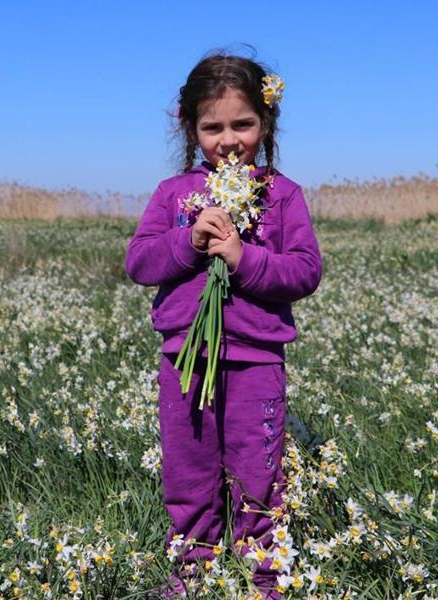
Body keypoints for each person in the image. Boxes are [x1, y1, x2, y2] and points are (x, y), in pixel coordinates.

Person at [124, 52, 322, 599]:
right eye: (212, 127)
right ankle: (193, 566)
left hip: (257, 359)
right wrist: (188, 242)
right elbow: (139, 263)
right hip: (185, 357)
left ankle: (266, 574)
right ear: (191, 127)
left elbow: (306, 271)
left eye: (244, 124)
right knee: (188, 470)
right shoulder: (173, 195)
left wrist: (242, 257)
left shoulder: (282, 195)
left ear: (266, 124)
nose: (228, 139)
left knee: (260, 469)